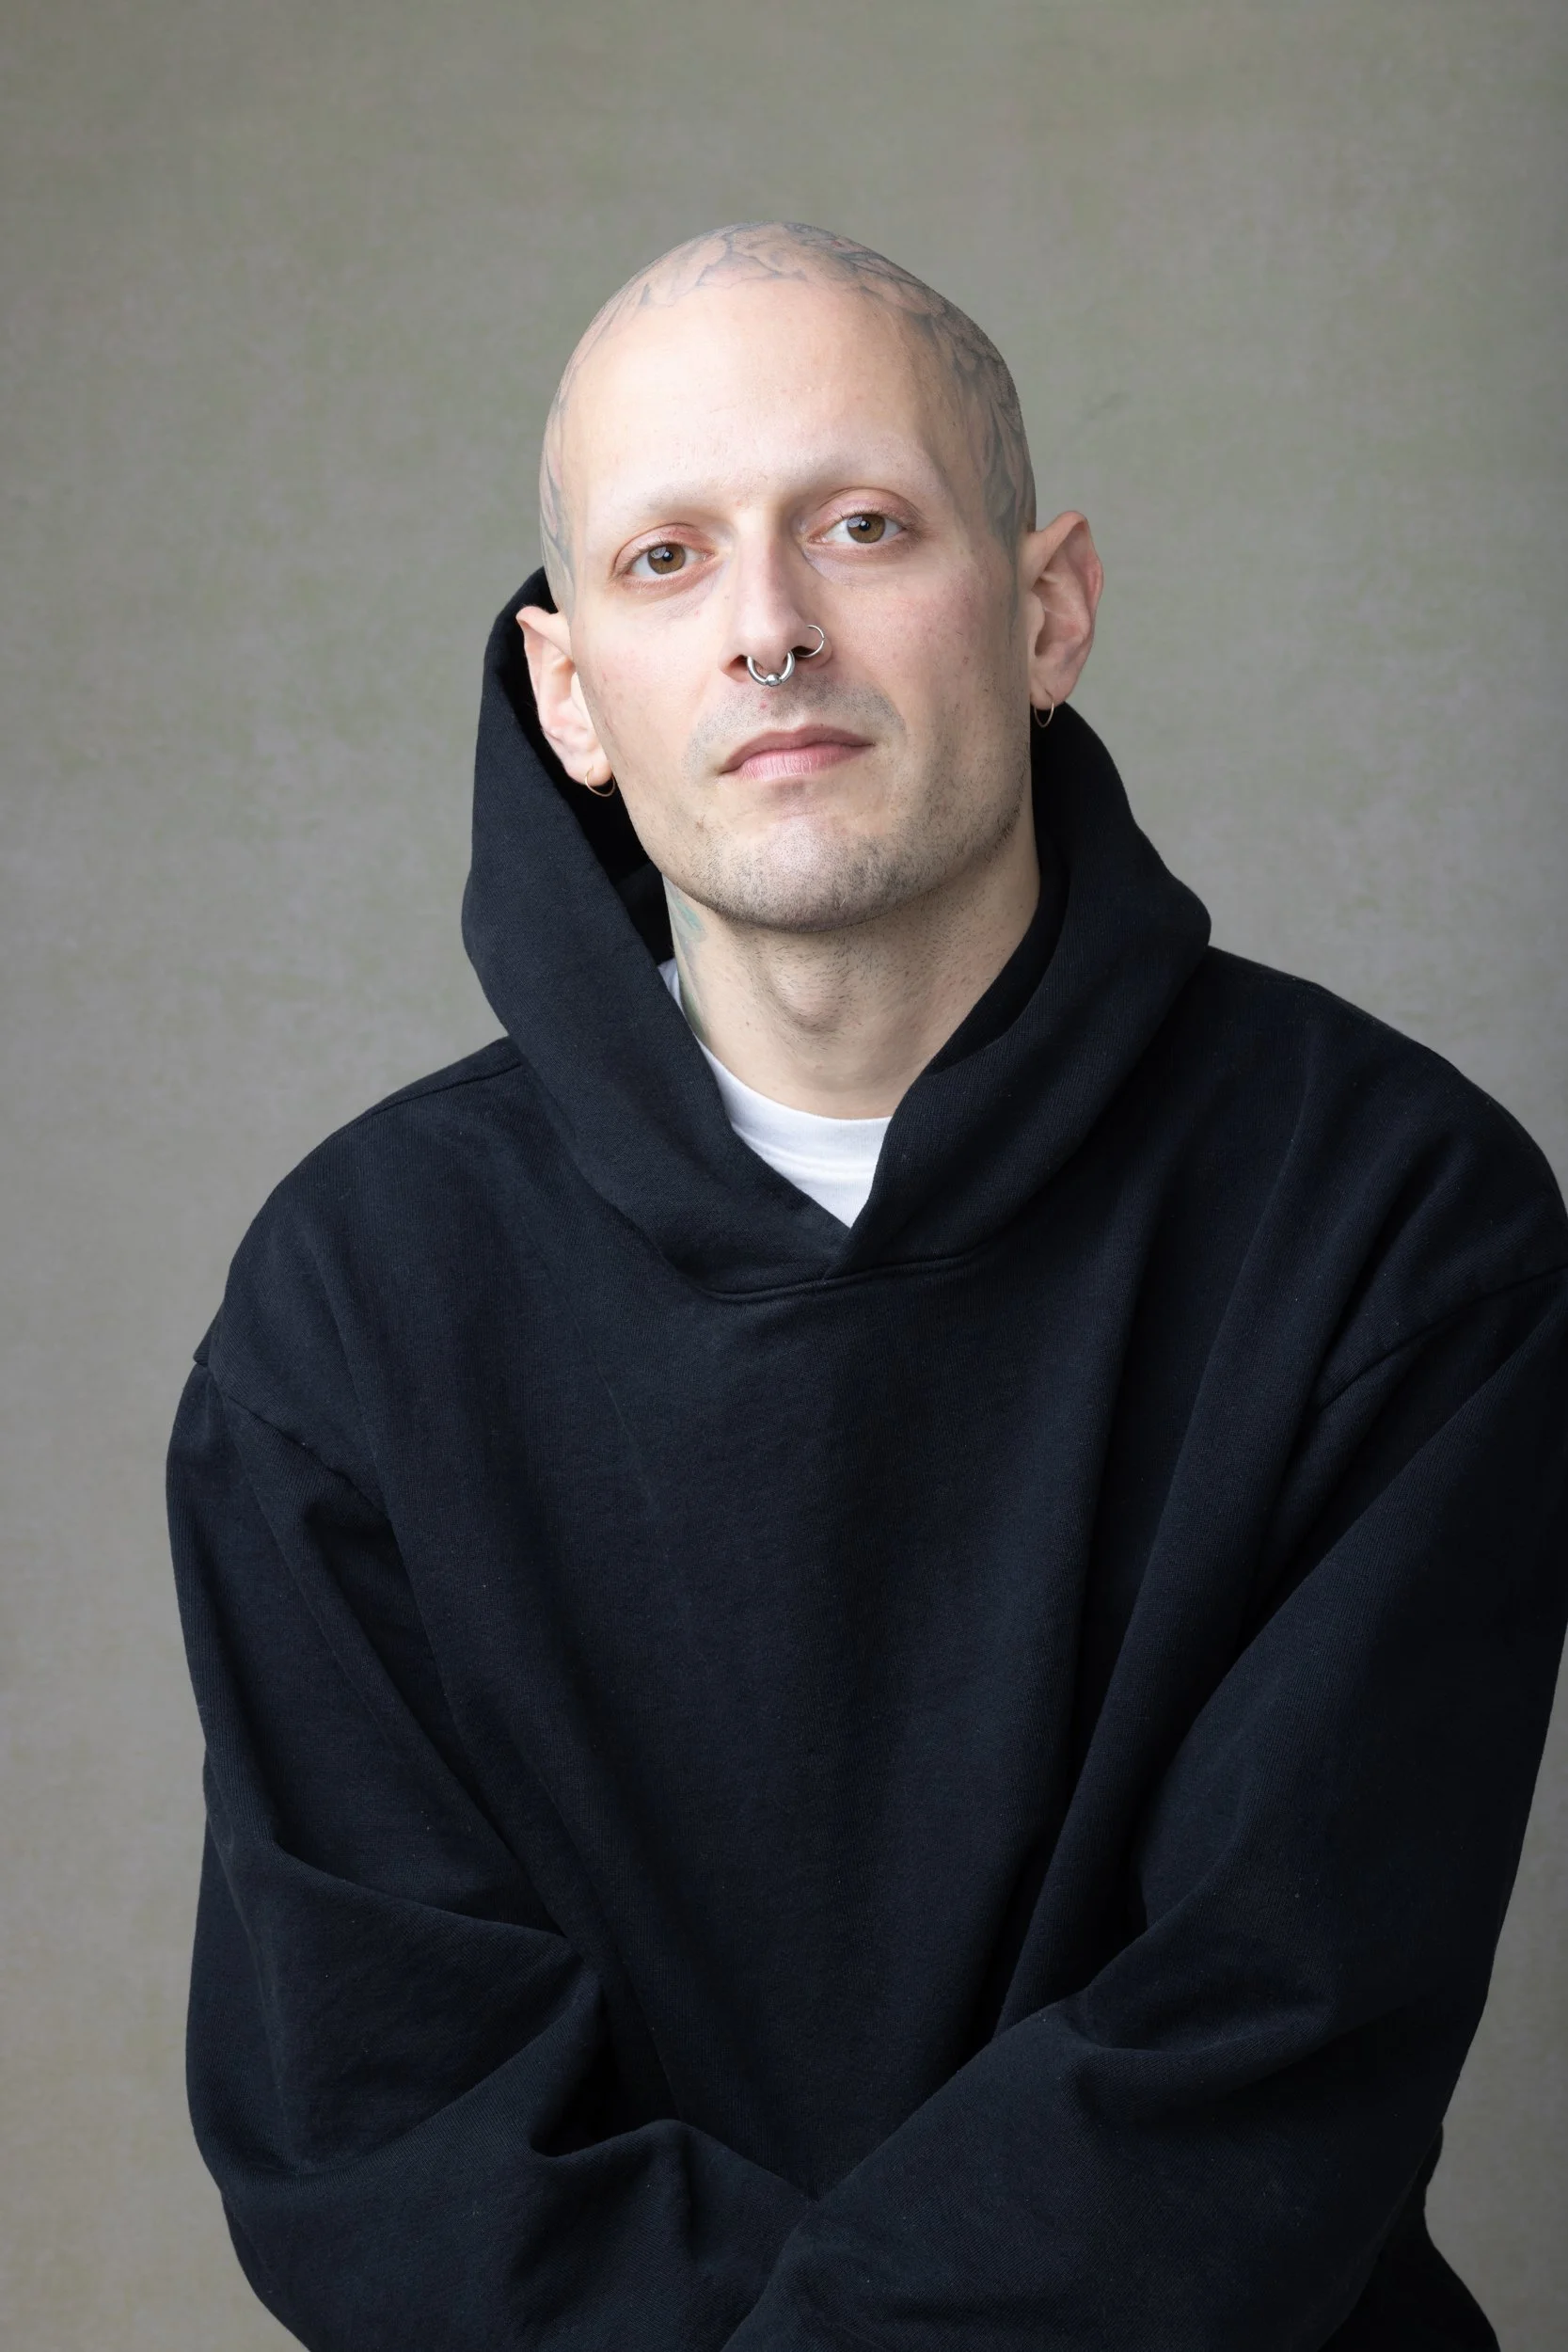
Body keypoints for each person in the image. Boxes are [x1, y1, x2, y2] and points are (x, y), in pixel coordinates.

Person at [166, 222, 1568, 2352]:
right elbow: (393, 2118)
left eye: (859, 523)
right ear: (567, 693)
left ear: (1044, 607)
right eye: (663, 560)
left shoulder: (1394, 1220)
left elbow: (1264, 2036)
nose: (767, 629)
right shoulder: (349, 1311)